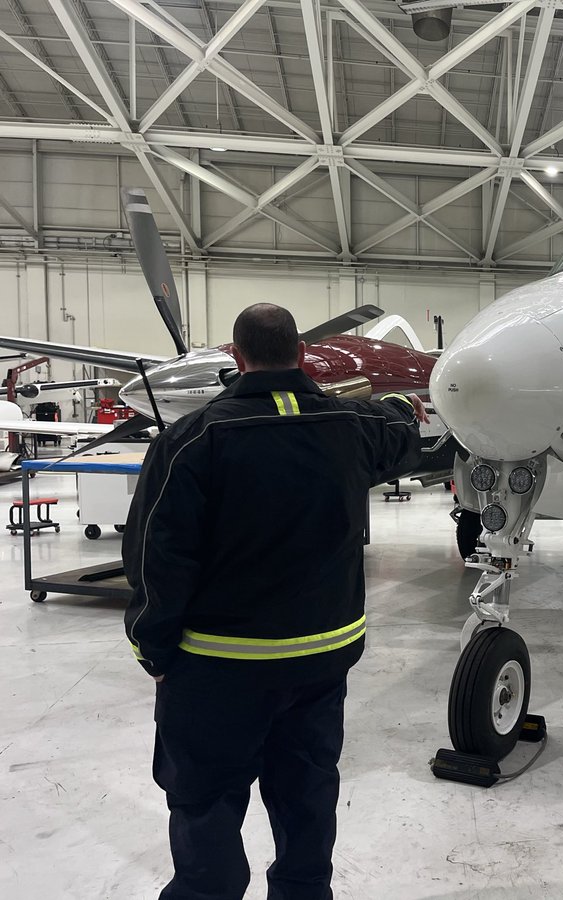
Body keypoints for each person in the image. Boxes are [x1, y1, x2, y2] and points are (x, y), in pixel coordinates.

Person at [123, 303, 430, 900]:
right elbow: (399, 433)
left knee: (206, 801)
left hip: (217, 666)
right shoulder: (349, 427)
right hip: (321, 660)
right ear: (303, 354)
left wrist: (153, 649)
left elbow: (157, 560)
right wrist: (395, 406)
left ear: (237, 358)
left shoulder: (193, 440)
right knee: (307, 795)